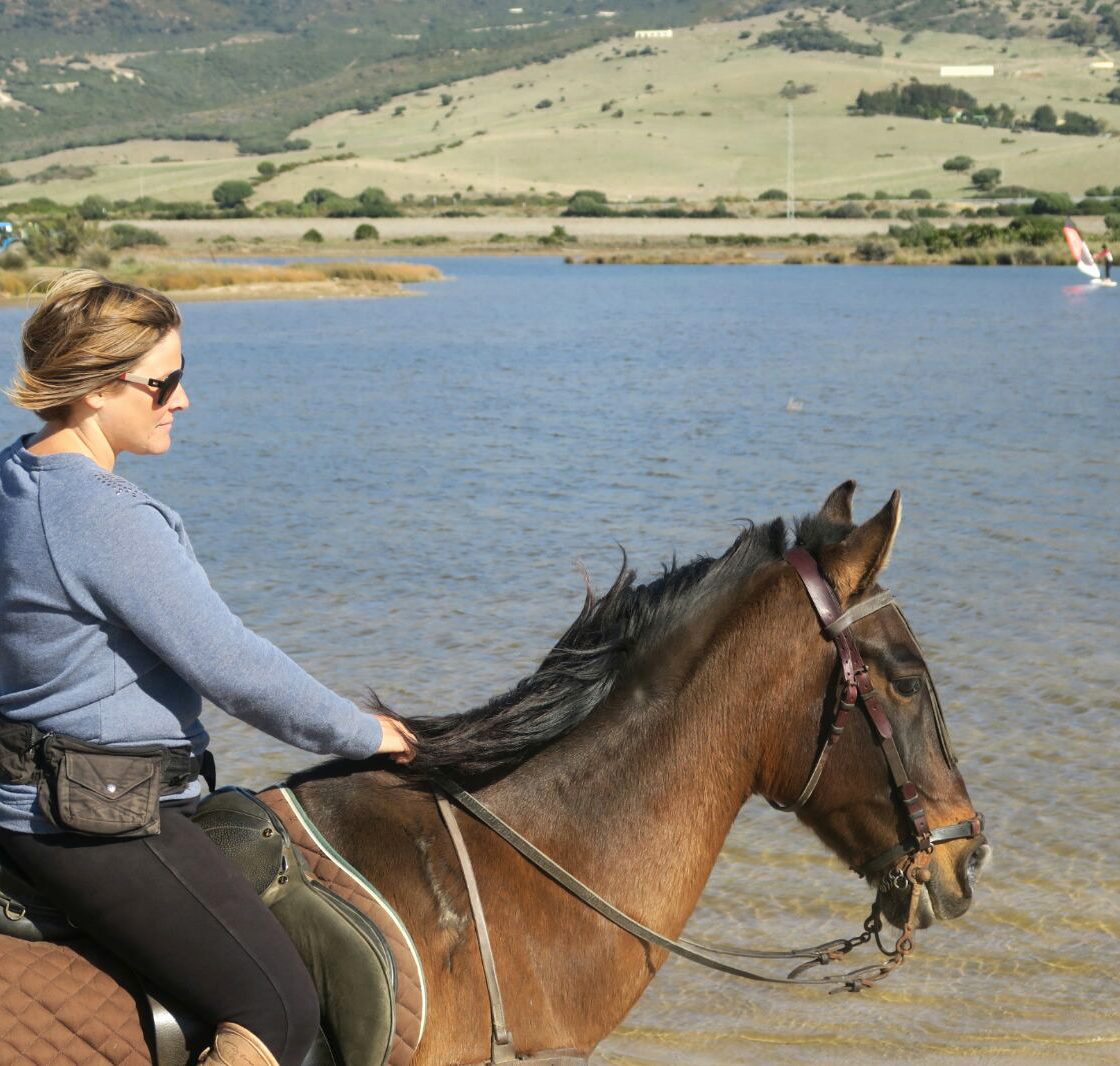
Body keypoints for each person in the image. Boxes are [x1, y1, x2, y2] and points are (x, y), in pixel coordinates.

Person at [0, 270, 417, 1066]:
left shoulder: (15, 474)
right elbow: (235, 668)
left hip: (29, 785)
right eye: (164, 382)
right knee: (278, 1007)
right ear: (95, 388)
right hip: (97, 815)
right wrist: (365, 733)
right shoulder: (105, 517)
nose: (181, 401)